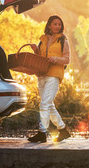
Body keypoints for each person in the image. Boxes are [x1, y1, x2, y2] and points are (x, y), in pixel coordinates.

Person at [27, 15, 71, 143]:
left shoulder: (63, 41)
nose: (57, 26)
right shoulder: (43, 40)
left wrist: (56, 59)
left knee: (44, 104)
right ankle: (63, 130)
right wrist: (36, 50)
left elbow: (67, 59)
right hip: (42, 74)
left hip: (54, 75)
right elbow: (40, 58)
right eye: (55, 24)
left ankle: (42, 133)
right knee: (49, 105)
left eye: (59, 24)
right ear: (49, 25)